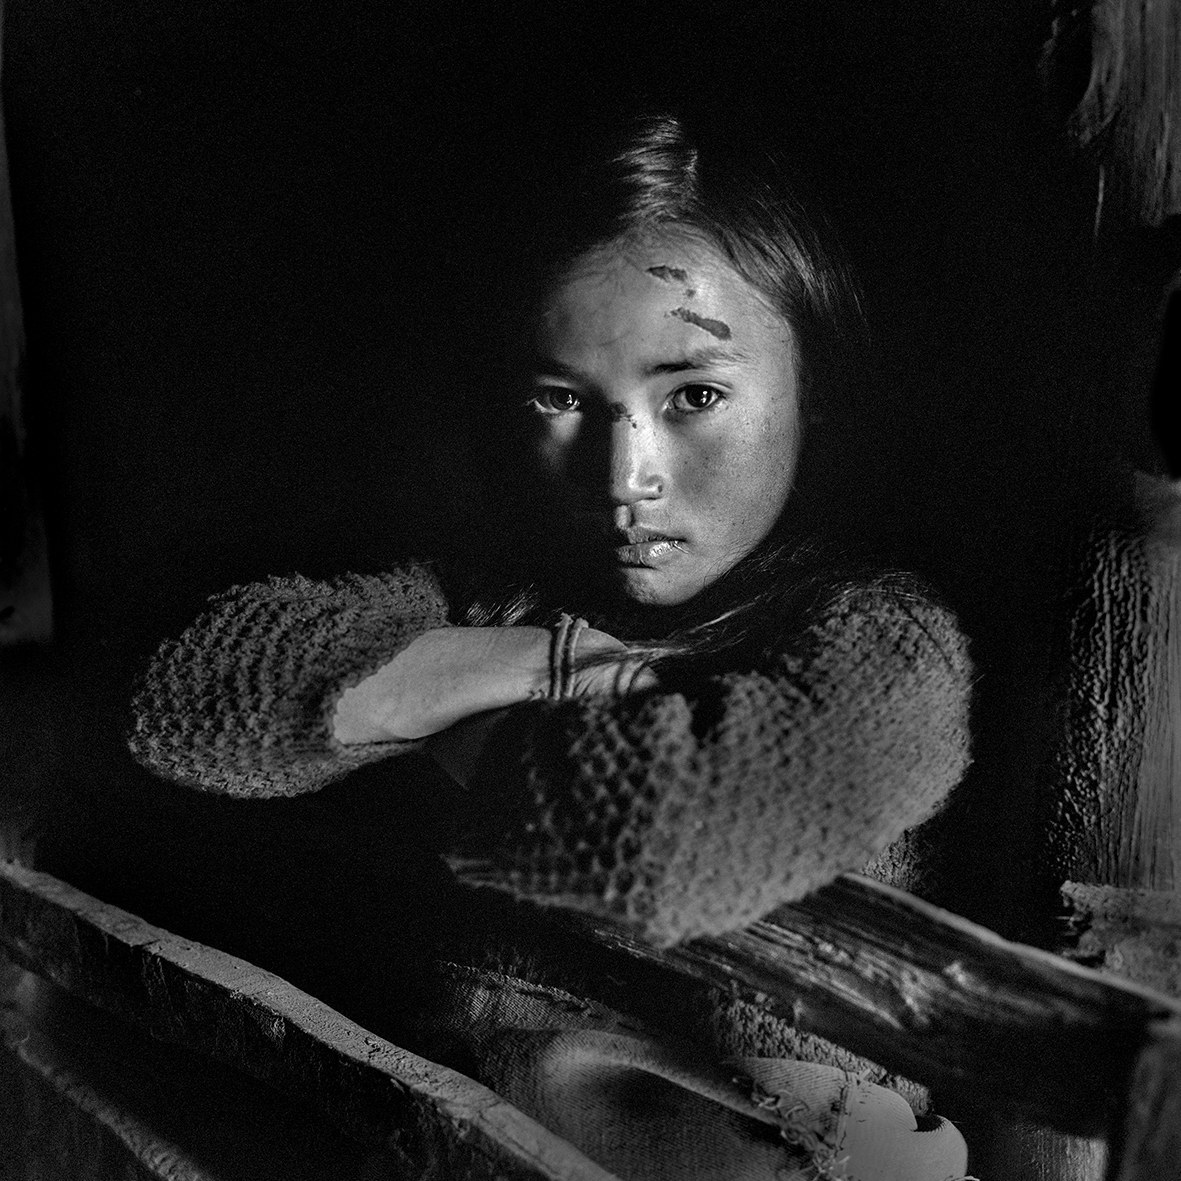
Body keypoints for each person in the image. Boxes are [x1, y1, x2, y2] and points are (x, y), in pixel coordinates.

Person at [129, 110, 974, 1180]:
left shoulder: (881, 640)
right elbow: (190, 699)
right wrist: (546, 664)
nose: (624, 476)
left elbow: (668, 842)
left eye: (695, 394)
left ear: (817, 394)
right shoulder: (500, 596)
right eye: (563, 398)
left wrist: (426, 706)